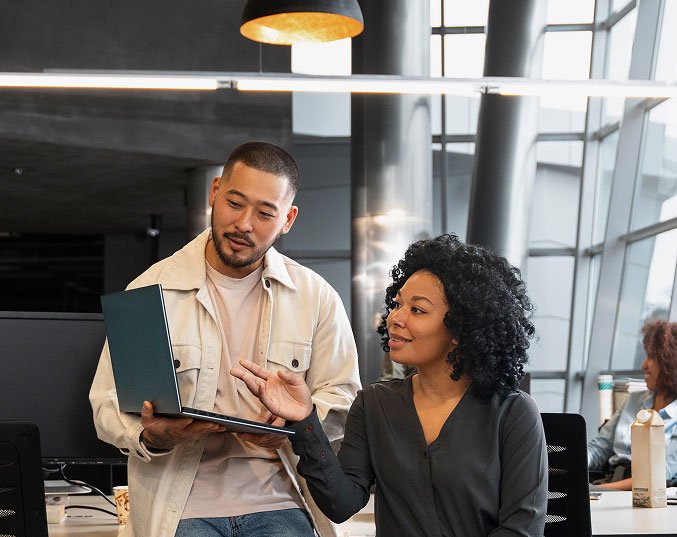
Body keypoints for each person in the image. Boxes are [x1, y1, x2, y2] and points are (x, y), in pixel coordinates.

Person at [90, 141, 361, 537]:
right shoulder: (149, 290)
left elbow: (343, 399)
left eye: (265, 213)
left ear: (288, 219)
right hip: (182, 508)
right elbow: (106, 403)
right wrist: (152, 435)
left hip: (281, 501)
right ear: (214, 192)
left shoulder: (316, 297)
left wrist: (293, 425)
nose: (244, 224)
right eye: (235, 203)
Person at [232, 234, 548, 537]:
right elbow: (341, 503)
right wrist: (304, 420)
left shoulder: (513, 412)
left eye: (417, 310)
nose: (395, 318)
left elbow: (522, 528)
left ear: (460, 328)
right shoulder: (374, 404)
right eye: (397, 305)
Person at [588, 319, 677, 490]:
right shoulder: (633, 400)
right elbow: (600, 447)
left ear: (670, 363)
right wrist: (571, 461)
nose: (644, 365)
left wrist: (597, 491)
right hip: (608, 482)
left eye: (651, 357)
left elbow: (659, 475)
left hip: (642, 493)